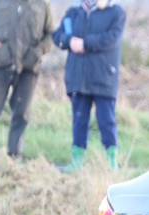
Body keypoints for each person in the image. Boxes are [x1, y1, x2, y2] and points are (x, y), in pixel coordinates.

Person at [51, 0, 125, 172]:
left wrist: (85, 44)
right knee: (79, 120)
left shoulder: (116, 12)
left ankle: (111, 163)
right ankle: (76, 163)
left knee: (106, 120)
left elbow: (112, 38)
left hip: (104, 76)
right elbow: (57, 35)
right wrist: (69, 41)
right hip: (78, 77)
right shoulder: (74, 12)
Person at [0, 0, 53, 171]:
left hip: (28, 68)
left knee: (22, 113)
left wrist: (38, 51)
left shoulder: (42, 4)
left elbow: (50, 34)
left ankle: (14, 159)